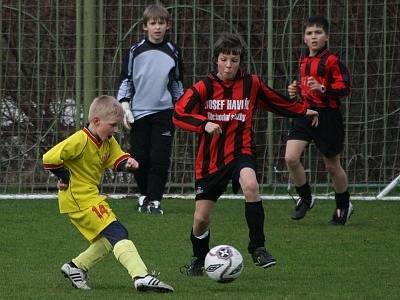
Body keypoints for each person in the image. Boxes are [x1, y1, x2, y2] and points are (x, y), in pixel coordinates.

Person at [173, 33, 319, 276]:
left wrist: (304, 110)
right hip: (210, 162)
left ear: (240, 61)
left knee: (251, 186)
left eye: (234, 60)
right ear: (215, 60)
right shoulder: (203, 87)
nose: (229, 65)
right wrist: (203, 124)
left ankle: (258, 248)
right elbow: (178, 113)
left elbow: (276, 101)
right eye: (224, 60)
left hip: (242, 152)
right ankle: (199, 260)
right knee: (200, 221)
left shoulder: (252, 84)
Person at [42, 95, 173, 293]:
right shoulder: (80, 140)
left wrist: (128, 163)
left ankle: (75, 267)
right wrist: (65, 176)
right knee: (117, 232)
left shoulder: (107, 141)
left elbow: (117, 158)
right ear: (96, 121)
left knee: (108, 240)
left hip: (88, 197)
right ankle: (141, 276)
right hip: (79, 198)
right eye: (113, 125)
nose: (116, 130)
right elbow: (49, 158)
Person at [285, 15, 353, 225]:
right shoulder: (303, 60)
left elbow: (345, 88)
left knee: (332, 166)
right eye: (309, 33)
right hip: (306, 113)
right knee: (290, 157)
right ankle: (306, 198)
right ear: (304, 38)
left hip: (327, 117)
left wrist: (324, 89)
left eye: (318, 32)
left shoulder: (332, 61)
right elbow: (306, 89)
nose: (313, 37)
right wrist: (294, 91)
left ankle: (343, 205)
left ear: (327, 37)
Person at [117, 4, 184, 215]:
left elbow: (177, 83)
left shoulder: (173, 51)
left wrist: (180, 107)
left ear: (168, 26)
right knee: (139, 157)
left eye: (161, 23)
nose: (157, 27)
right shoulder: (134, 51)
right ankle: (143, 195)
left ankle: (155, 200)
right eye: (153, 23)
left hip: (164, 113)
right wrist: (124, 107)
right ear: (145, 27)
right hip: (139, 113)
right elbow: (126, 80)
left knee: (160, 157)